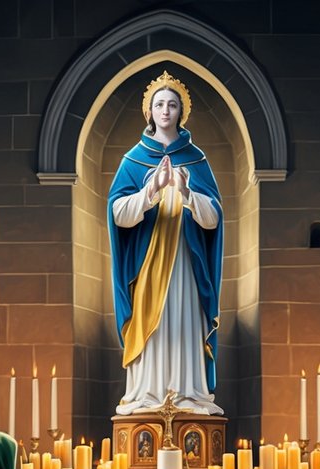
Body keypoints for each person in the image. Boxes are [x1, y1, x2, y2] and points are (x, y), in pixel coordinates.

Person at [108, 71, 224, 416]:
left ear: (180, 113)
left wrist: (188, 193)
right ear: (150, 111)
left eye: (172, 105)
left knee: (185, 323)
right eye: (159, 104)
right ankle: (147, 395)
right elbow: (118, 214)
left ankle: (188, 394)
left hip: (186, 265)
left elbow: (214, 218)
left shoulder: (196, 159)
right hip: (147, 265)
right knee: (152, 329)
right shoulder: (133, 160)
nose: (165, 110)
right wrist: (150, 192)